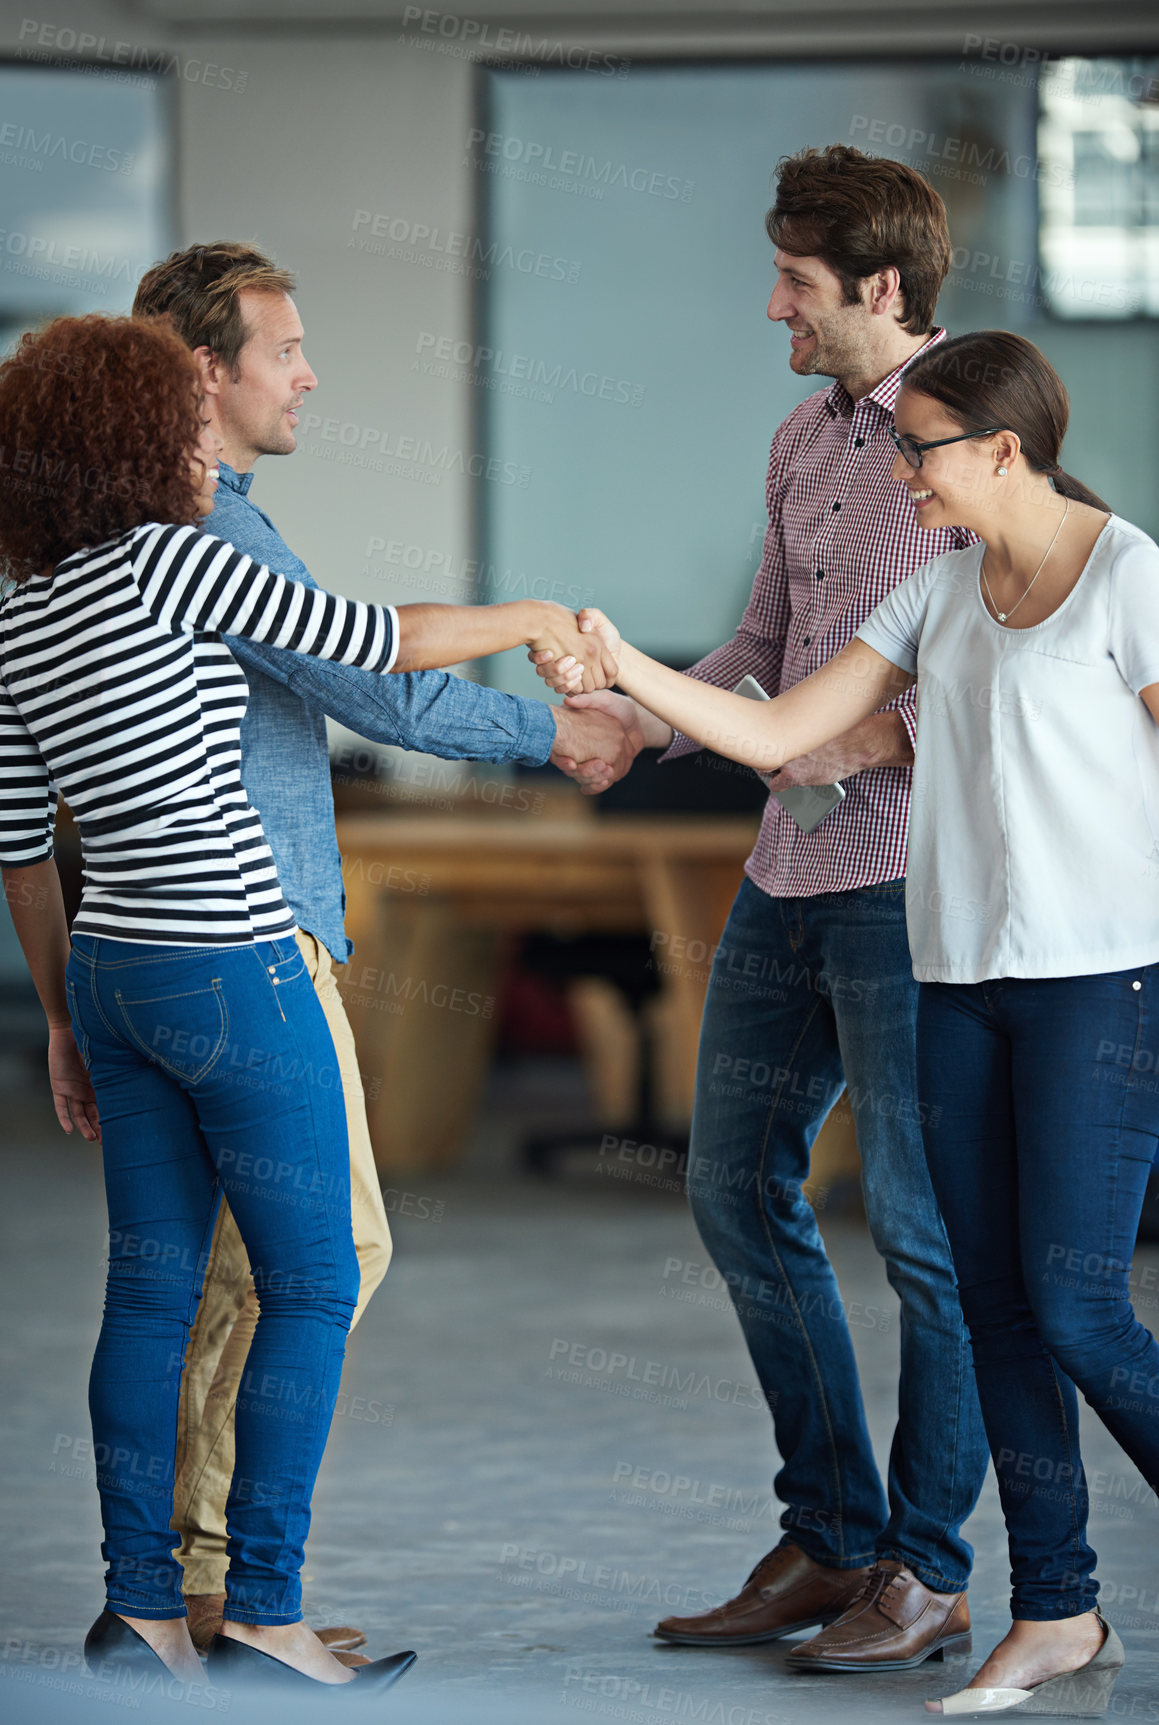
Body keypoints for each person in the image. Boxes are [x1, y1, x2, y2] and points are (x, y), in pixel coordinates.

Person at [539, 326, 1157, 1717]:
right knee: (996, 1306)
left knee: (1074, 1307)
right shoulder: (936, 595)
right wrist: (624, 666)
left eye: (920, 447)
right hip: (960, 985)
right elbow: (774, 734)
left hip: (1101, 988)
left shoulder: (1131, 578)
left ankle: (1003, 1586)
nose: (899, 470)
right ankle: (1055, 1607)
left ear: (1003, 448)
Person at [0, 311, 616, 1691]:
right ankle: (268, 1609)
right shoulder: (178, 559)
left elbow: (16, 841)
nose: (194, 437)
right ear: (127, 438)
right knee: (315, 1277)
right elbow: (374, 646)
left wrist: (56, 1017)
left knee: (149, 1293)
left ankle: (140, 1612)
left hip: (111, 972)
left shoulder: (18, 602)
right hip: (233, 954)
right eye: (173, 417)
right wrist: (528, 618)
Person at [556, 144, 991, 1672]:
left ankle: (924, 1569)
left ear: (883, 285)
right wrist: (641, 723)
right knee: (734, 1187)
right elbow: (762, 645)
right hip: (787, 874)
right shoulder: (804, 439)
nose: (772, 308)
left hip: (910, 891)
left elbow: (980, 670)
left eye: (796, 283)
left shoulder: (980, 440)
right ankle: (830, 1535)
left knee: (930, 1238)